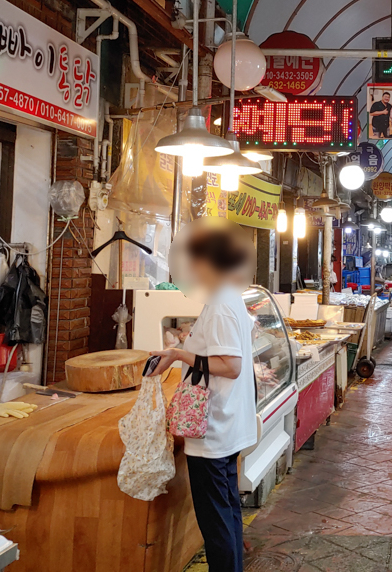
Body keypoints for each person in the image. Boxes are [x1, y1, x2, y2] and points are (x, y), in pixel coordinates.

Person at [148, 224, 255, 572]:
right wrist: (179, 351)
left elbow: (230, 365)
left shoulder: (223, 303)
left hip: (214, 432)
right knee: (226, 514)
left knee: (216, 521)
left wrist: (179, 356)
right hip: (223, 427)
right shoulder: (224, 298)